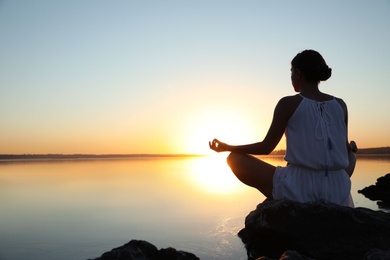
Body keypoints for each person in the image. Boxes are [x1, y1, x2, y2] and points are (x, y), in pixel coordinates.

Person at [209, 50, 357, 207]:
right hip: (337, 188)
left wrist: (227, 147)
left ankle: (278, 198)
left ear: (298, 73)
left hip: (300, 187)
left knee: (234, 159)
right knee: (352, 156)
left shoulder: (288, 104)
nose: (291, 76)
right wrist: (351, 147)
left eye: (291, 71)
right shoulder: (341, 104)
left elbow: (266, 147)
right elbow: (344, 148)